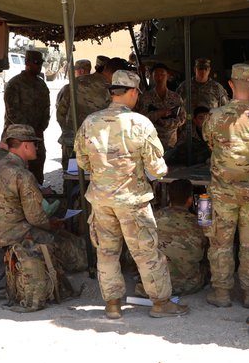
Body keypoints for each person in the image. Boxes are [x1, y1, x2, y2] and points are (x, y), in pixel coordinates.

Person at [74, 69, 188, 319]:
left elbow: (82, 162)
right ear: (134, 92)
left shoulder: (90, 122)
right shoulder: (140, 123)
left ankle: (112, 304)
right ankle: (160, 302)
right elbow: (157, 169)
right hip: (132, 201)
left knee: (106, 252)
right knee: (146, 251)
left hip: (101, 200)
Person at [0, 124, 87, 310]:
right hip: (16, 232)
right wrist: (54, 225)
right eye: (34, 144)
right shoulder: (22, 175)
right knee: (77, 252)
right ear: (24, 146)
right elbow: (36, 218)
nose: (37, 148)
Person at [202, 63, 249, 309]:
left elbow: (210, 143)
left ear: (230, 85)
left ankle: (221, 293)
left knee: (220, 243)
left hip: (222, 193)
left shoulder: (214, 117)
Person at [57, 57, 123, 172]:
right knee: (94, 183)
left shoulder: (76, 82)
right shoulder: (112, 90)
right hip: (97, 147)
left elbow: (61, 111)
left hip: (71, 142)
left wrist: (69, 131)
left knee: (71, 179)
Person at [151, 178, 208, 295]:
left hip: (155, 284)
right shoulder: (200, 222)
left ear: (168, 198)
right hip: (188, 285)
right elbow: (208, 247)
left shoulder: (154, 218)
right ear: (190, 200)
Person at [4, 49, 52, 183]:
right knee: (17, 172)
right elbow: (12, 113)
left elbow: (46, 109)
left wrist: (41, 128)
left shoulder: (41, 84)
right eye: (36, 63)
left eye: (40, 63)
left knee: (37, 168)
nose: (39, 66)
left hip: (37, 136)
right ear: (27, 63)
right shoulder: (15, 84)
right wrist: (29, 132)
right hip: (18, 138)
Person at [137, 63, 186, 150]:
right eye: (156, 74)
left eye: (162, 74)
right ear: (152, 76)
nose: (159, 77)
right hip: (151, 142)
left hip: (171, 142)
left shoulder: (176, 97)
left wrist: (168, 123)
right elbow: (141, 119)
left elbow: (182, 118)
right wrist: (157, 114)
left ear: (168, 76)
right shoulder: (145, 97)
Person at [55, 58, 93, 171]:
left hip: (71, 139)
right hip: (91, 140)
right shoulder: (97, 88)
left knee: (70, 172)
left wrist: (67, 129)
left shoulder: (69, 88)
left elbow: (60, 113)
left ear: (80, 71)